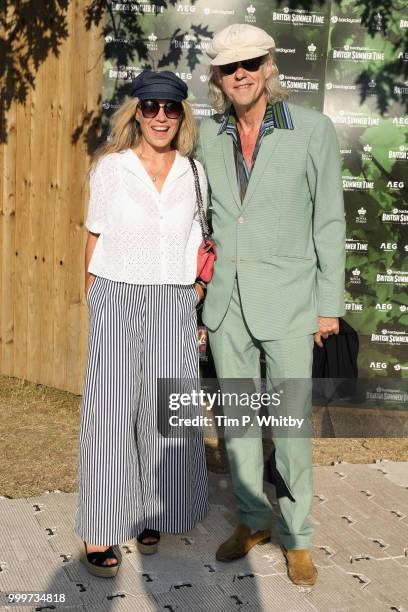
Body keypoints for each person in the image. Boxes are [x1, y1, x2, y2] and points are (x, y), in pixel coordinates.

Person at [195, 24, 346, 586]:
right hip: (227, 306)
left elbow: (330, 221)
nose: (241, 74)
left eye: (250, 63)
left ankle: (298, 535)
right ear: (217, 76)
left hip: (289, 304)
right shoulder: (206, 136)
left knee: (289, 429)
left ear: (268, 66)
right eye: (230, 66)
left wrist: (327, 307)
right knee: (236, 423)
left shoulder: (312, 130)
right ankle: (254, 519)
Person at [74, 70, 209, 578]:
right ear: (136, 111)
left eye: (170, 108)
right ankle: (100, 529)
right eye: (150, 107)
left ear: (181, 114)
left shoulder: (193, 173)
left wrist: (192, 294)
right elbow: (94, 236)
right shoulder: (111, 169)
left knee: (166, 414)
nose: (160, 117)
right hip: (116, 295)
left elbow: (199, 241)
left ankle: (156, 508)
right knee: (110, 414)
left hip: (173, 301)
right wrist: (94, 297)